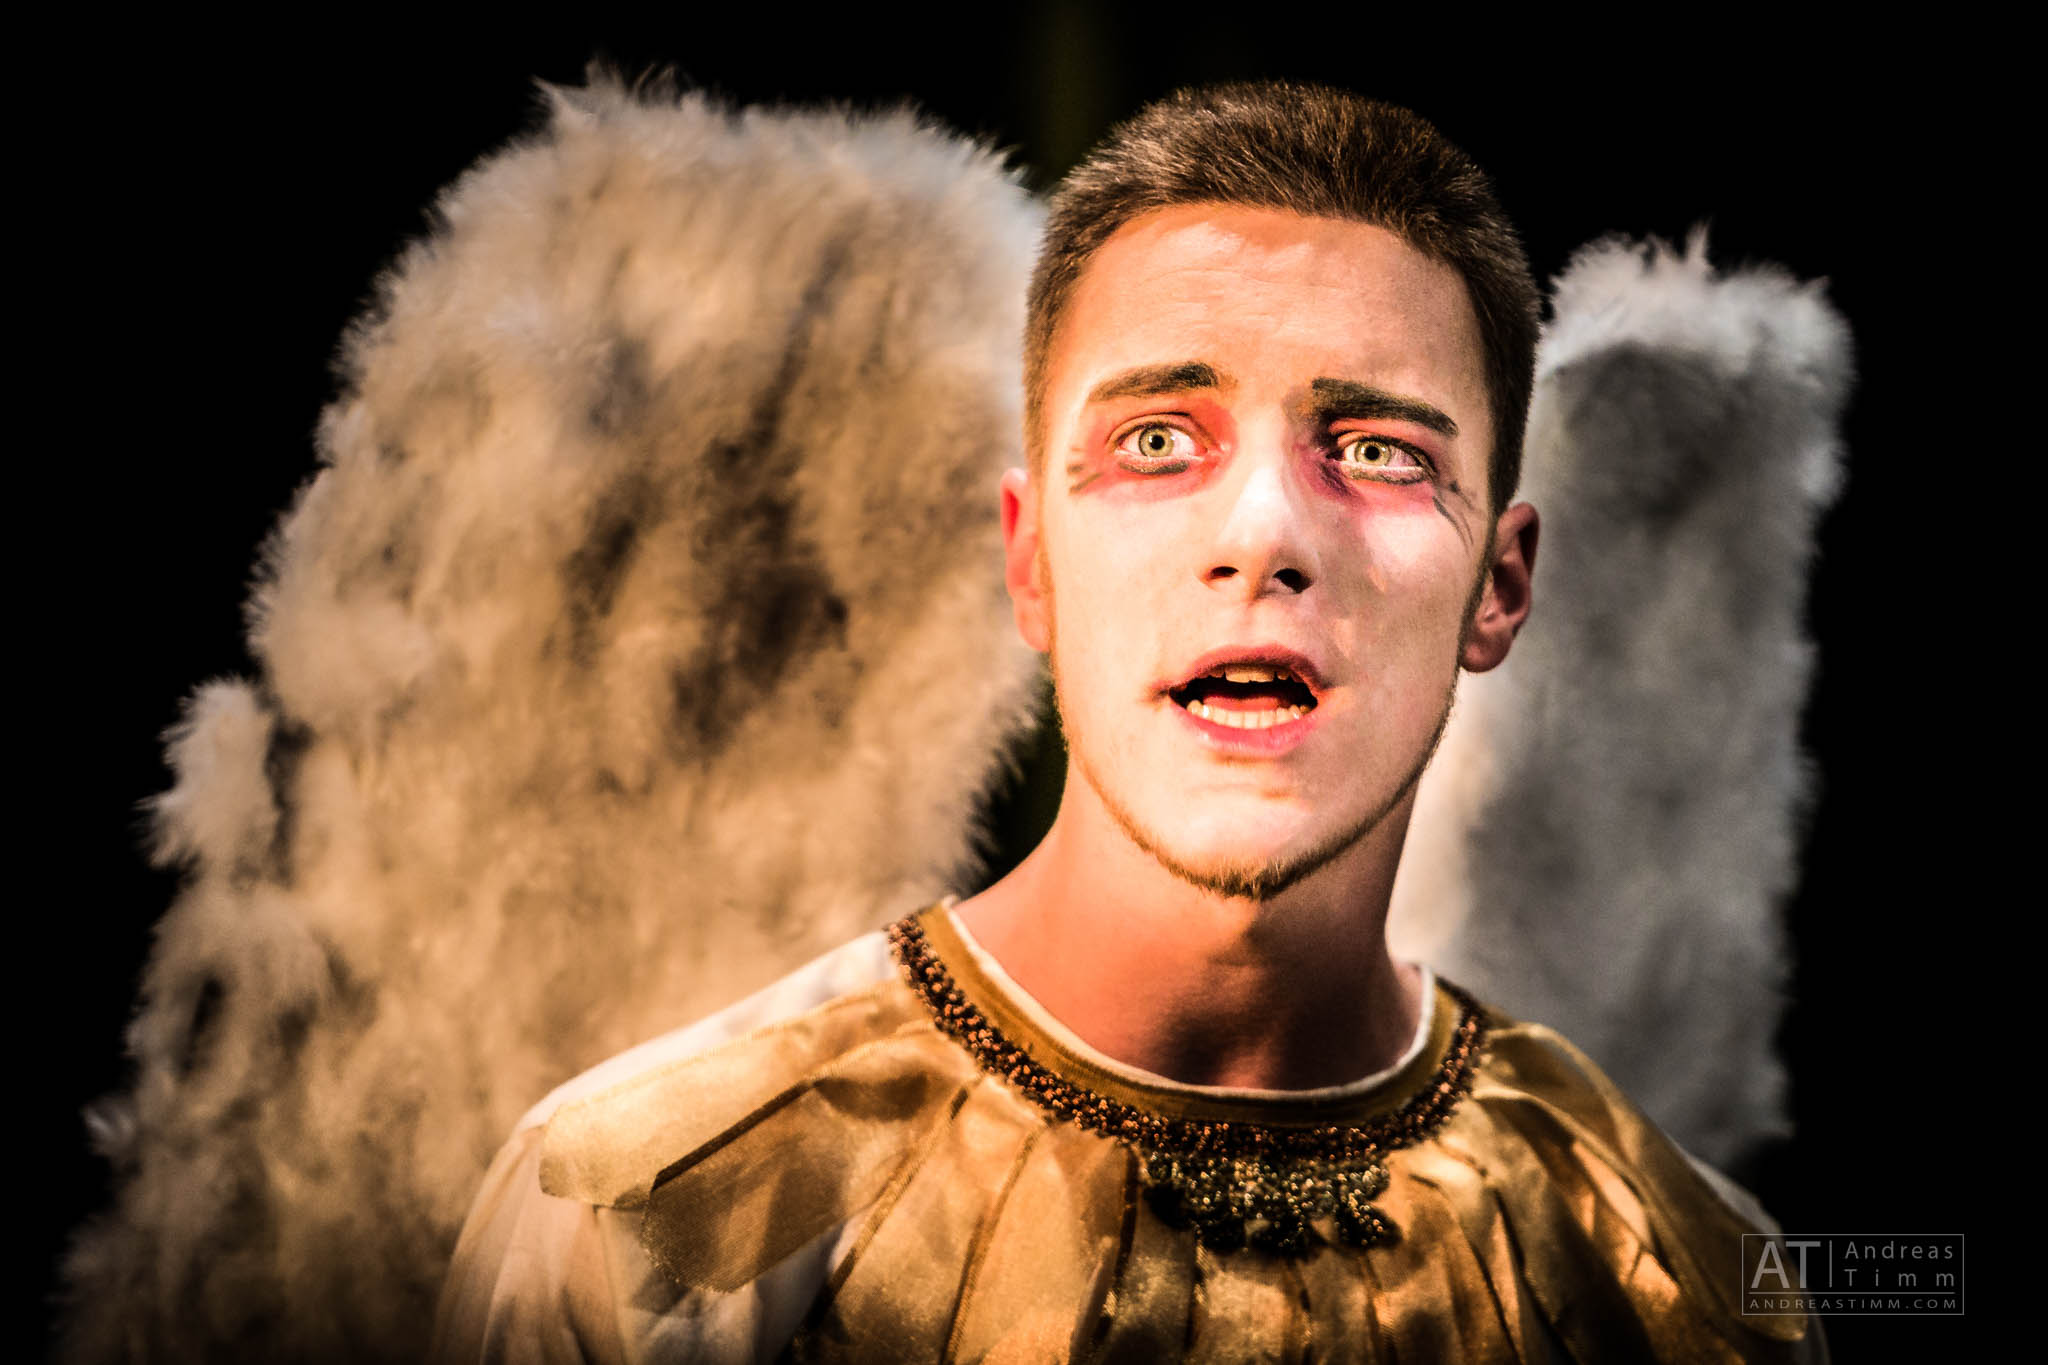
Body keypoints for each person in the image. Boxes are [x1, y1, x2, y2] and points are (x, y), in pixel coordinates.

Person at [431, 82, 1821, 1363]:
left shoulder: (1688, 1280)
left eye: (1380, 452)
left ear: (1498, 586)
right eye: (1159, 439)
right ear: (1029, 562)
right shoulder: (636, 1226)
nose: (1265, 533)